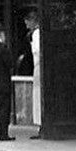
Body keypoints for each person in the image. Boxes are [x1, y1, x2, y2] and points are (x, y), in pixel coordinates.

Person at [22, 10, 42, 138]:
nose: (27, 26)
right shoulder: (36, 33)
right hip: (38, 66)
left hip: (38, 66)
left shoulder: (36, 34)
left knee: (38, 95)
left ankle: (41, 124)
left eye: (28, 23)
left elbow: (37, 52)